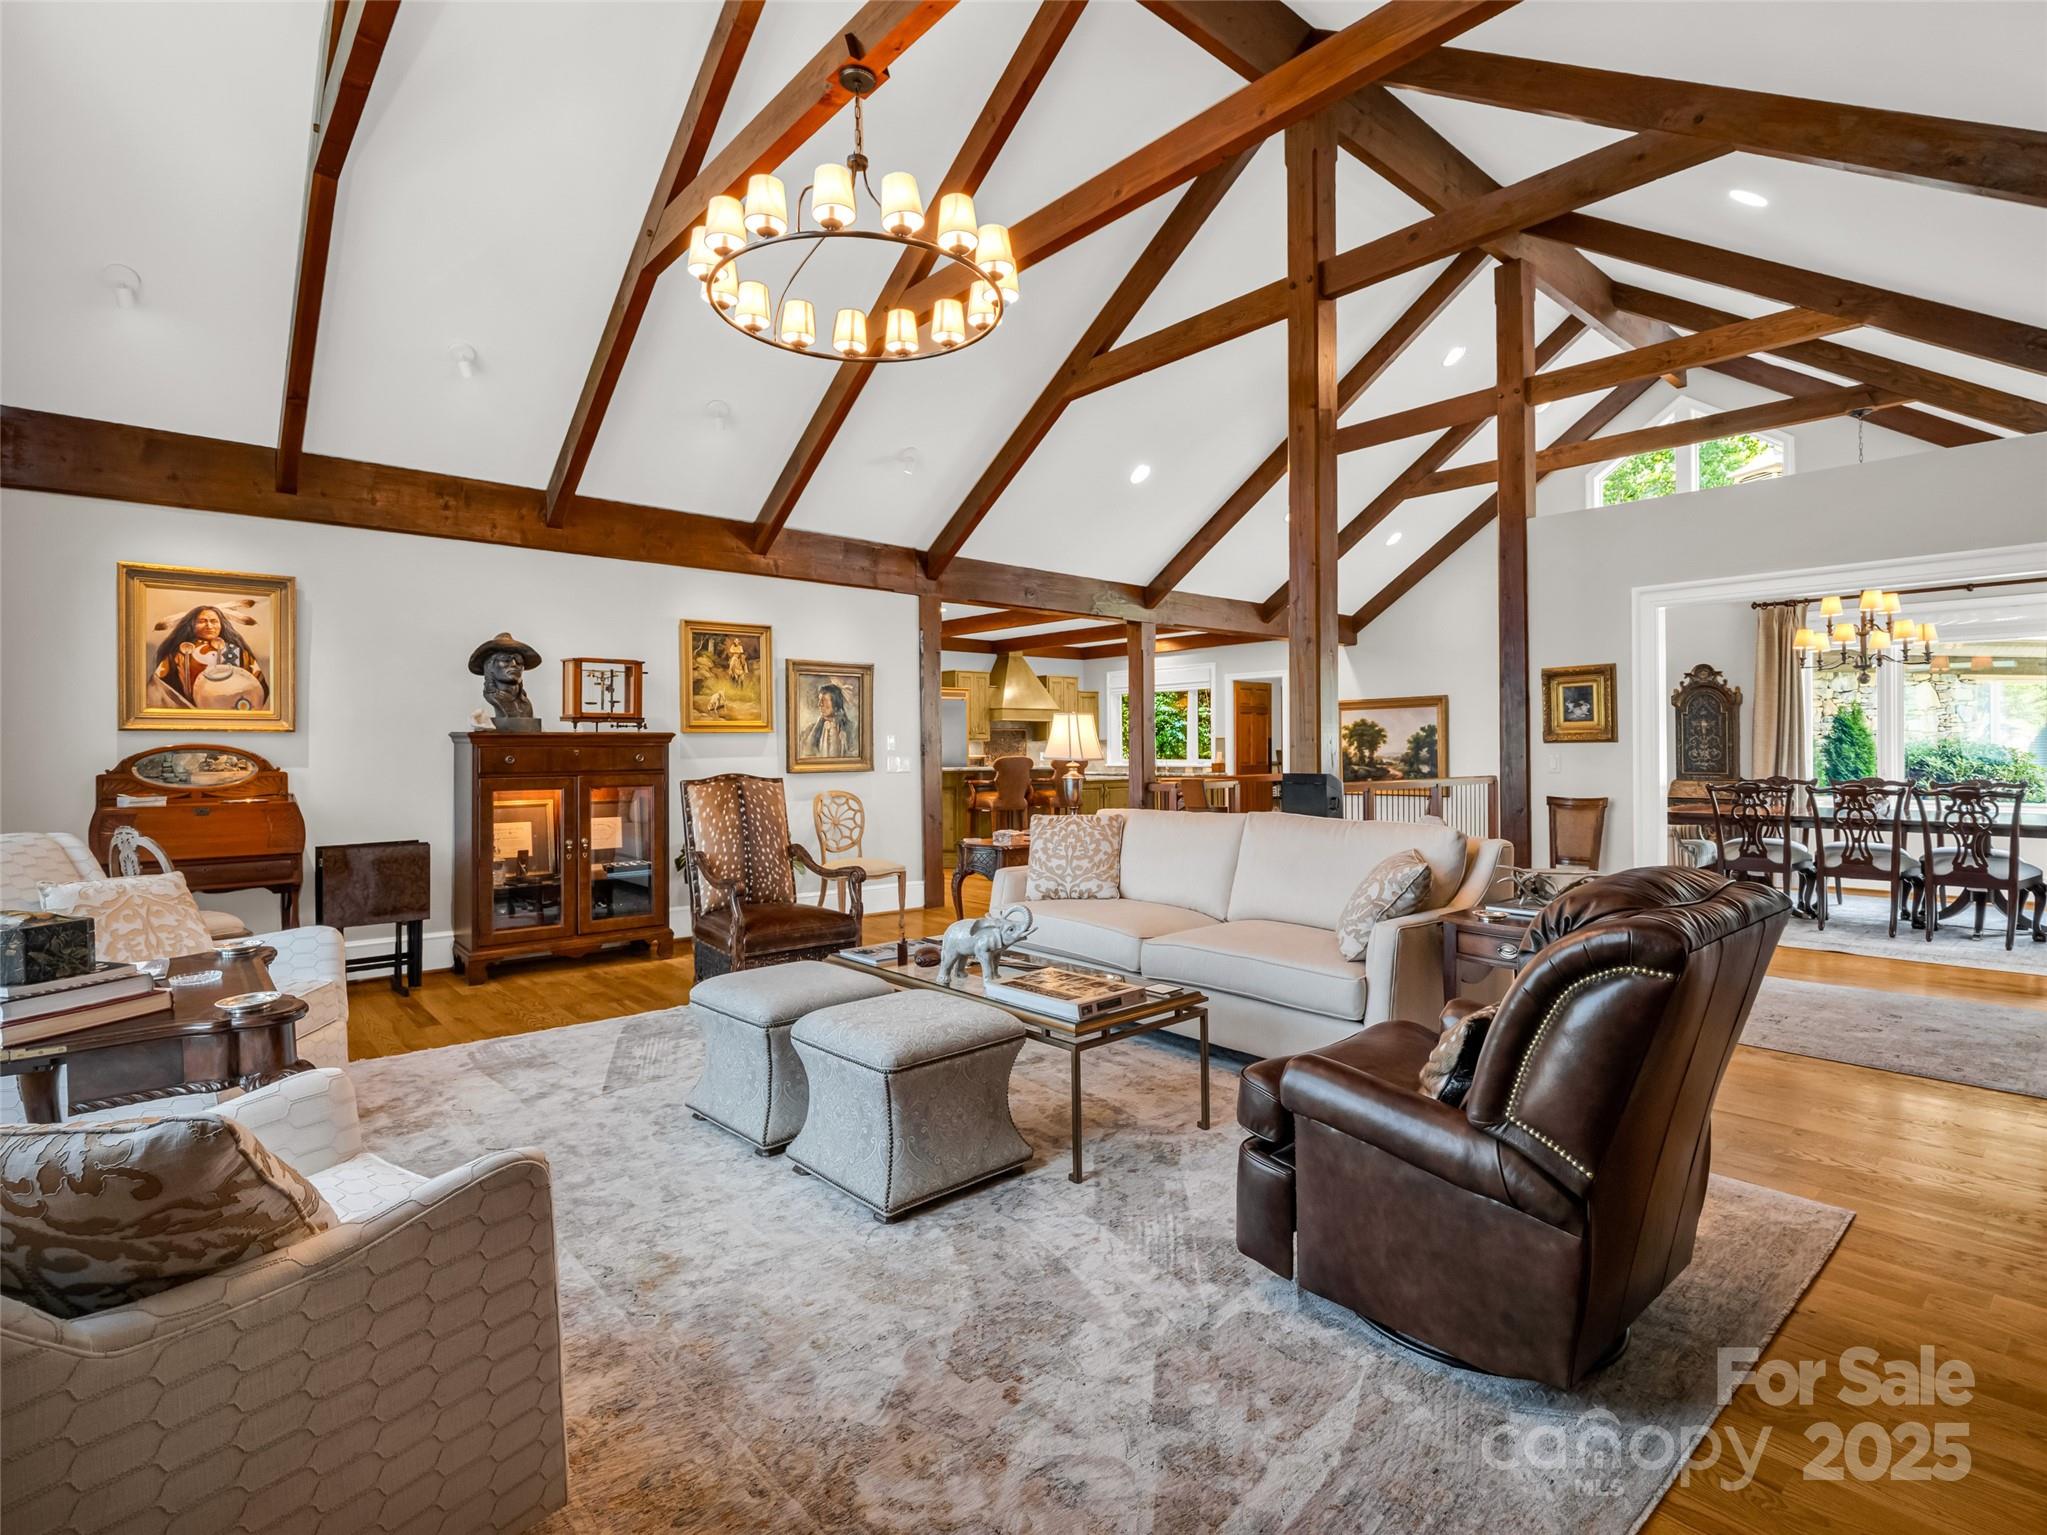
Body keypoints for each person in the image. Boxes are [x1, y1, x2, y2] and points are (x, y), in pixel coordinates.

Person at [151, 604, 266, 708]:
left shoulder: (237, 653)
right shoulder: (179, 655)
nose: (209, 625)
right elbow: (158, 688)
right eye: (202, 621)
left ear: (221, 625)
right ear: (191, 625)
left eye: (214, 621)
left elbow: (258, 687)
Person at [803, 681, 856, 759]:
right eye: (819, 700)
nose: (819, 704)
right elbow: (807, 752)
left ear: (835, 703)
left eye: (824, 700)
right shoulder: (811, 730)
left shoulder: (851, 729)